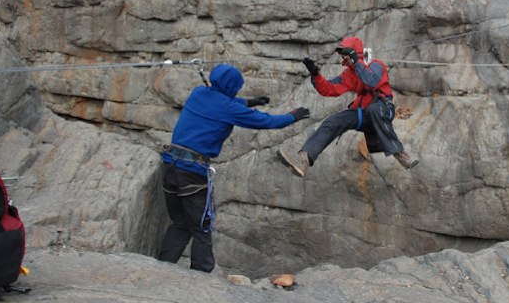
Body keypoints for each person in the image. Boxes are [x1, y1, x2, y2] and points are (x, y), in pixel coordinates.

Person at [158, 63, 310, 273]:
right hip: (191, 172)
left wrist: (248, 102)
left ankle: (161, 268)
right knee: (201, 227)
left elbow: (219, 101)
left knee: (180, 223)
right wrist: (293, 116)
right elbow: (267, 121)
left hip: (169, 166)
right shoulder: (230, 109)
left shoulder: (198, 93)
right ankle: (199, 275)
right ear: (232, 88)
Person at [278, 36, 418, 177]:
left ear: (354, 53)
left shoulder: (376, 65)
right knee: (333, 121)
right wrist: (315, 75)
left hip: (384, 108)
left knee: (373, 109)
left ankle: (400, 153)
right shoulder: (349, 74)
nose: (343, 57)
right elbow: (329, 89)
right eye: (342, 54)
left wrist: (356, 62)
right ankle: (303, 160)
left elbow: (371, 81)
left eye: (345, 53)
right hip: (364, 113)